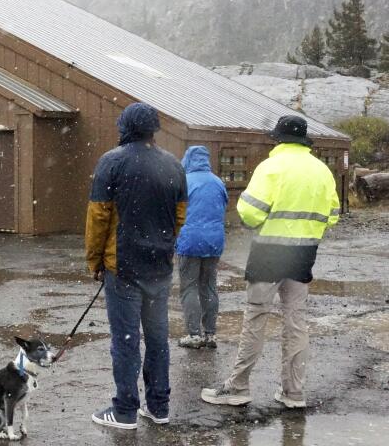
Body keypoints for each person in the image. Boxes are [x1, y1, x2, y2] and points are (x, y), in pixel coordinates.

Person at [201, 115, 340, 410]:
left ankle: (238, 387)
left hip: (268, 254)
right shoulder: (322, 171)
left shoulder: (271, 167)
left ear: (277, 139)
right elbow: (333, 214)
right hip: (304, 254)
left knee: (255, 318)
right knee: (296, 322)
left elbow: (250, 213)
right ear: (305, 140)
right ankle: (294, 392)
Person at [86, 102, 187, 429]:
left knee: (126, 340)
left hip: (123, 268)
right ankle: (159, 407)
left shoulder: (111, 162)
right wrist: (163, 246)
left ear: (124, 127)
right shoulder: (174, 165)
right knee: (158, 338)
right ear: (154, 129)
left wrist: (95, 260)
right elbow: (180, 216)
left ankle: (125, 410)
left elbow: (98, 217)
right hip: (159, 267)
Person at [175, 146, 229, 349]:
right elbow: (224, 207)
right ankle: (210, 334)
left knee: (189, 287)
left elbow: (175, 211)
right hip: (214, 241)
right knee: (208, 286)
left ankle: (194, 334)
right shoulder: (218, 182)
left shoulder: (184, 181)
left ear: (188, 159)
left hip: (190, 240)